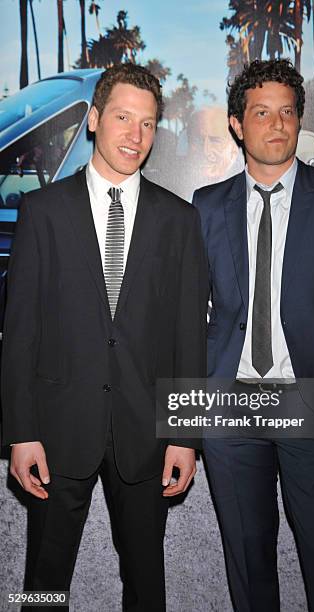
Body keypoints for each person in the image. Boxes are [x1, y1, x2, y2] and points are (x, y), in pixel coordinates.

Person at [1, 63, 207, 611]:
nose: (134, 135)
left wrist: (187, 437)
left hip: (147, 440)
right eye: (122, 117)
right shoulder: (43, 212)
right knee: (42, 587)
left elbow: (190, 337)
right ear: (94, 120)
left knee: (147, 587)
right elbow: (19, 332)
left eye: (146, 123)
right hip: (55, 434)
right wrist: (21, 433)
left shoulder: (179, 221)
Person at [192, 59, 314, 612]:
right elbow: (189, 314)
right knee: (249, 570)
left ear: (300, 121)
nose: (277, 126)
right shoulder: (207, 208)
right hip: (230, 415)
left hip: (313, 407)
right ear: (237, 124)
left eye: (287, 113)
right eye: (262, 113)